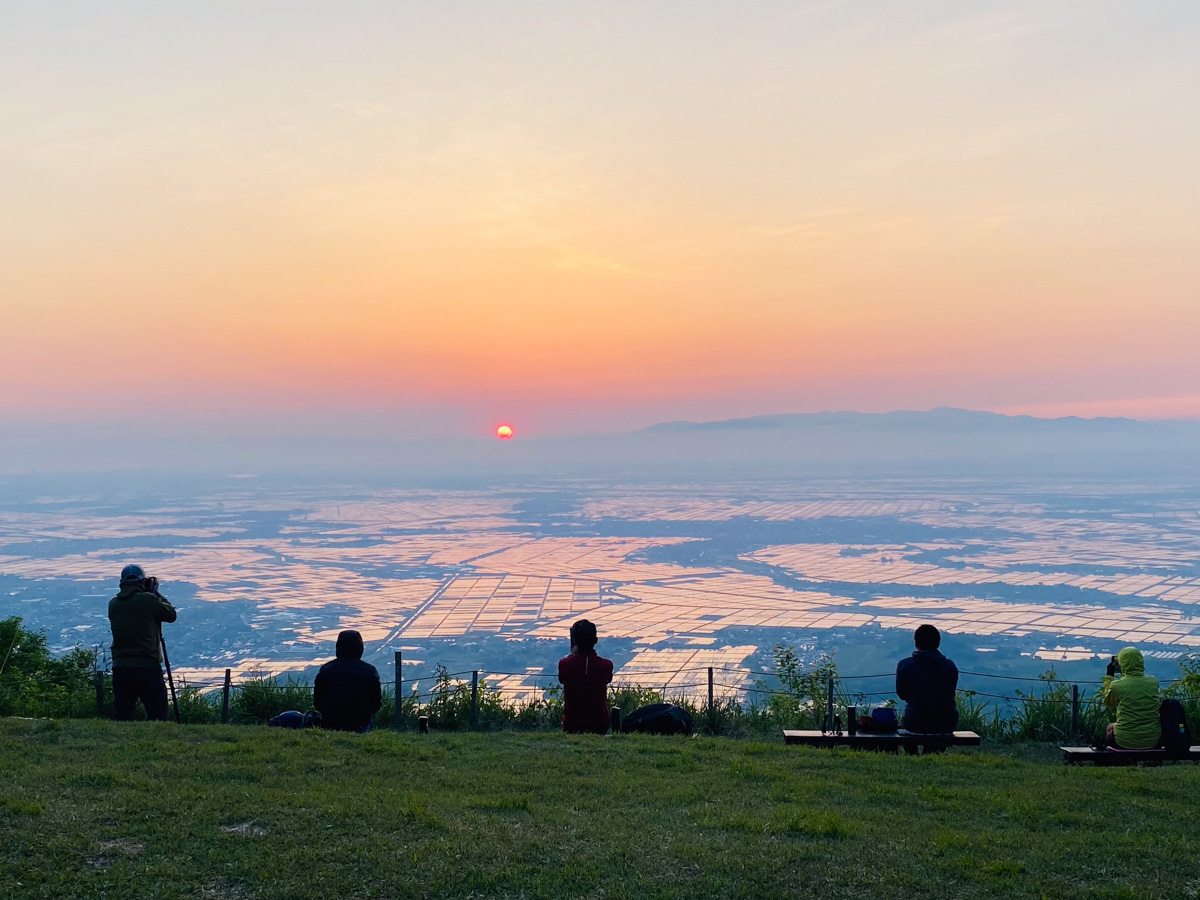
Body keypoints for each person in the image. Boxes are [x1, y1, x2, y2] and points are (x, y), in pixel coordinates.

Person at [108, 564, 177, 721]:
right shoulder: (147, 600)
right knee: (159, 716)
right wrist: (155, 593)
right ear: (142, 582)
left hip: (121, 667)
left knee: (122, 716)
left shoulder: (113, 604)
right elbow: (171, 615)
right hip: (147, 667)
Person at [313, 630, 382, 733]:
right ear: (360, 649)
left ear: (338, 648)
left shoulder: (326, 670)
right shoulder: (369, 671)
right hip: (360, 724)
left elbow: (318, 703)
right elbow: (375, 706)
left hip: (330, 723)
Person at [896, 624, 959, 734]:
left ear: (916, 643)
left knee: (907, 719)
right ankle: (934, 749)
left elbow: (902, 695)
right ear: (938, 643)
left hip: (915, 722)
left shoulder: (905, 665)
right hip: (946, 723)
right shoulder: (950, 666)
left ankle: (911, 750)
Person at [557, 619, 613, 734]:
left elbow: (562, 679)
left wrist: (572, 655)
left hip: (572, 725)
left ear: (575, 641)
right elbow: (608, 679)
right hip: (599, 724)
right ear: (596, 640)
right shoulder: (606, 665)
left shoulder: (565, 664)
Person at [1102, 646, 1160, 749]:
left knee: (1110, 727)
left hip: (1123, 741)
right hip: (1152, 739)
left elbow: (1109, 703)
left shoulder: (1117, 685)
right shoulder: (1153, 682)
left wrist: (1109, 677)